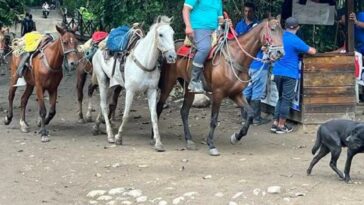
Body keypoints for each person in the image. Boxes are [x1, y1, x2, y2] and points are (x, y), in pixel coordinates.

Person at [271, 17, 316, 134]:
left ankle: (275, 123)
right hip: (289, 74)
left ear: (285, 26)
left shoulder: (280, 37)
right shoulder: (295, 40)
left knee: (280, 98)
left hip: (277, 72)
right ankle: (281, 125)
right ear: (298, 27)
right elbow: (312, 51)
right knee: (286, 100)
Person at [182, 0, 224, 93]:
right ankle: (194, 81)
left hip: (215, 31)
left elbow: (220, 19)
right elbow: (185, 9)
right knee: (205, 48)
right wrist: (188, 26)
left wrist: (225, 23)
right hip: (198, 28)